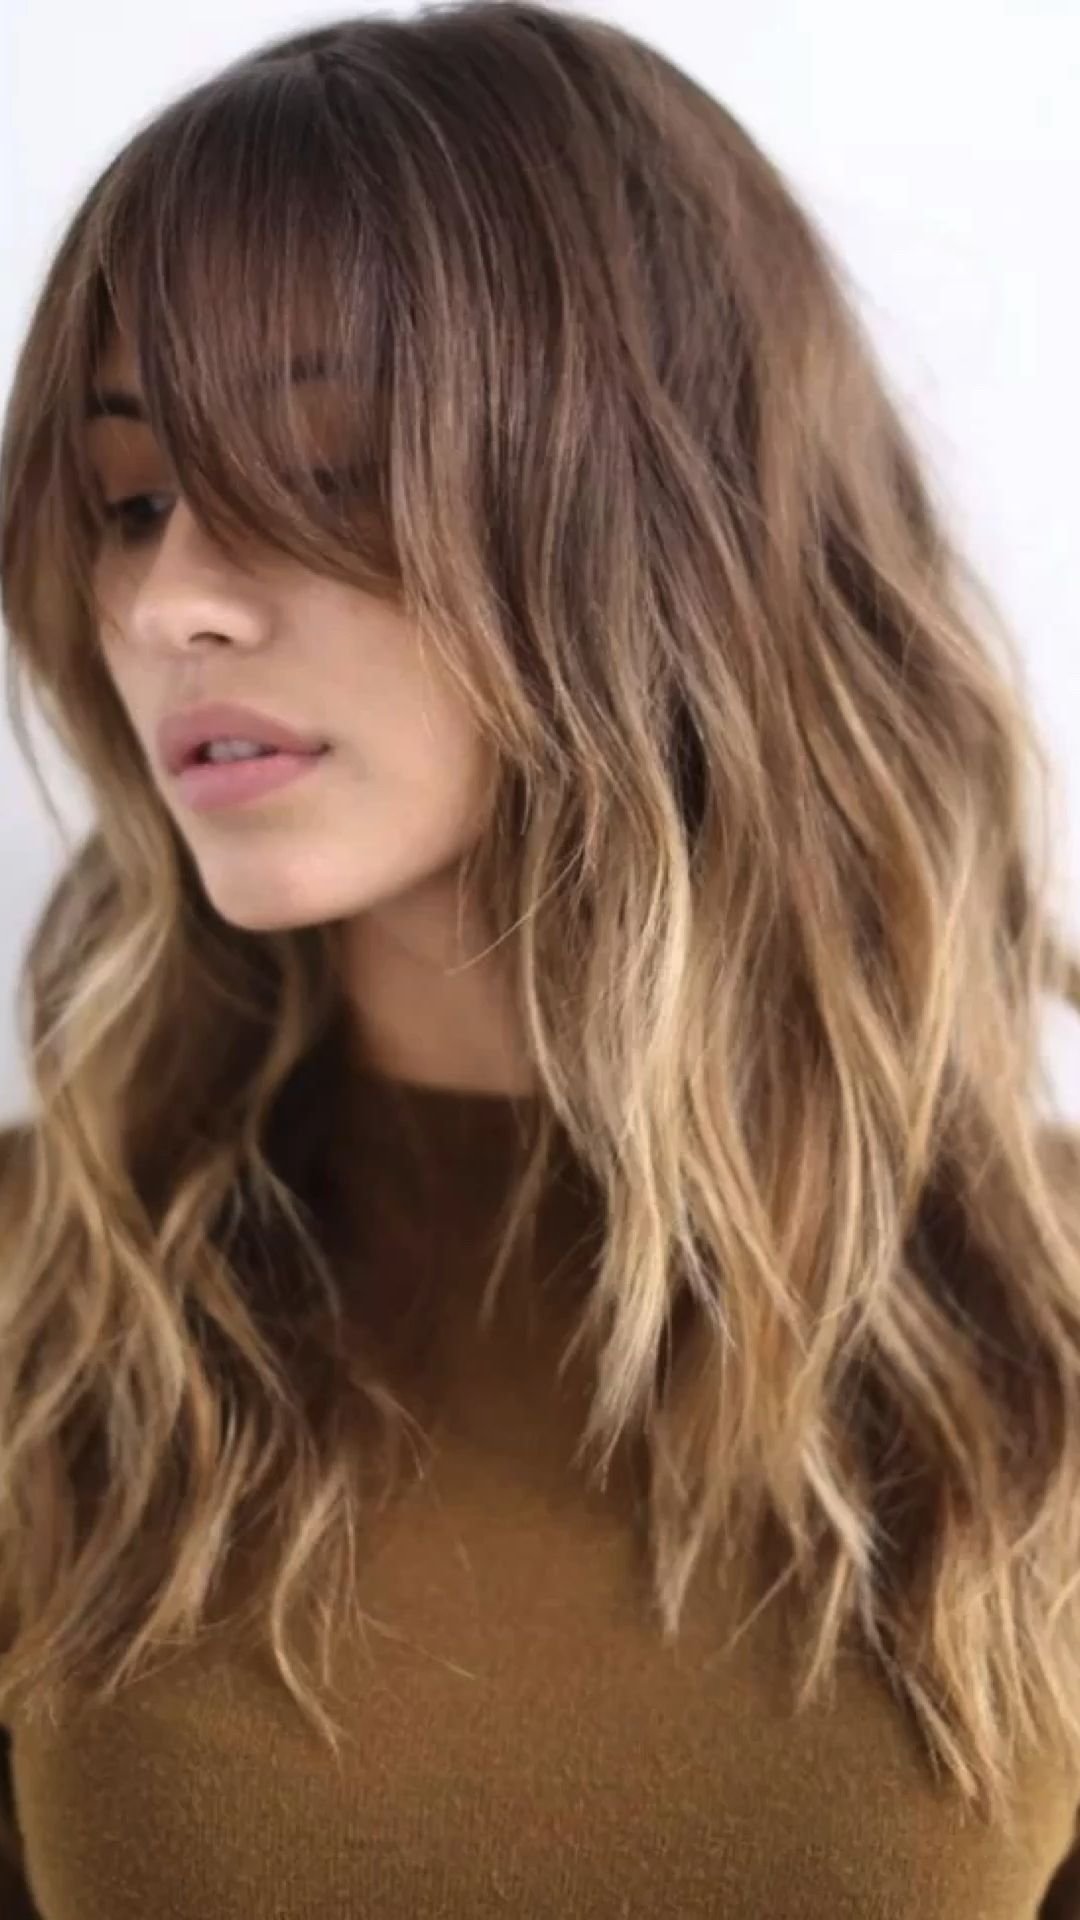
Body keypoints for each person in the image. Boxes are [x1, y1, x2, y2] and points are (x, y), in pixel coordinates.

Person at [1, 2, 1079, 1914]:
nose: (170, 605)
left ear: (662, 511)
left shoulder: (1039, 1320)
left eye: (320, 474)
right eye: (131, 503)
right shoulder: (45, 1300)